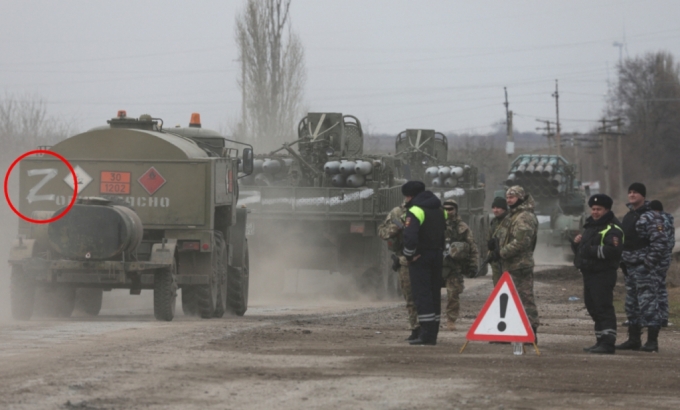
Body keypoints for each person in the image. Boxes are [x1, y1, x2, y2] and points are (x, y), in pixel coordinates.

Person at [616, 183, 669, 353]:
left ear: (643, 196)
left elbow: (660, 242)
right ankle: (634, 339)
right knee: (632, 305)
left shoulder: (651, 216)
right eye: (630, 192)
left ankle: (652, 341)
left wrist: (648, 263)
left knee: (648, 304)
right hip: (630, 267)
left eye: (635, 193)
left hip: (644, 267)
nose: (631, 195)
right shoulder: (630, 216)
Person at [571, 194, 623, 354]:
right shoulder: (591, 226)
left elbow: (613, 251)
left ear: (606, 210)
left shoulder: (613, 228)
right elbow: (582, 252)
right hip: (589, 274)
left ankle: (608, 343)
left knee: (603, 307)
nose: (595, 212)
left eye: (598, 209)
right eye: (593, 209)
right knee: (592, 307)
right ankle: (600, 340)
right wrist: (576, 245)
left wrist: (590, 250)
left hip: (603, 274)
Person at [491, 186, 540, 342]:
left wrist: (502, 253)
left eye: (512, 197)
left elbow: (521, 242)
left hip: (520, 265)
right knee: (507, 300)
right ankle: (507, 331)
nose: (509, 199)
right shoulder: (512, 216)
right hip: (509, 265)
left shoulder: (524, 216)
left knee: (525, 299)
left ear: (520, 197)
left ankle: (530, 333)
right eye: (507, 197)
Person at [401, 181, 446, 345]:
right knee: (434, 294)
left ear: (410, 196)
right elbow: (443, 232)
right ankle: (433, 333)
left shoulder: (415, 210)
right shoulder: (439, 209)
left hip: (421, 257)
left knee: (422, 295)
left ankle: (426, 334)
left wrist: (409, 256)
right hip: (437, 254)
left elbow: (410, 237)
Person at [377, 204, 419, 340]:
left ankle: (427, 329)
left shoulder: (429, 211)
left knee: (425, 298)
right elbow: (382, 232)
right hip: (405, 260)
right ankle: (416, 329)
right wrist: (397, 226)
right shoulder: (397, 213)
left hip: (425, 259)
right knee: (409, 296)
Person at [441, 199, 479, 331]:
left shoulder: (462, 228)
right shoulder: (436, 224)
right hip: (437, 265)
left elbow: (472, 248)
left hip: (454, 266)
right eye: (445, 209)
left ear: (456, 210)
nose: (448, 212)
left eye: (450, 209)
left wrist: (473, 266)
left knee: (453, 295)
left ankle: (451, 320)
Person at [649, 200, 675, 328]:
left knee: (655, 287)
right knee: (661, 287)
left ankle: (657, 317)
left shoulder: (660, 221)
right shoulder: (668, 219)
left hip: (659, 258)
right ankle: (663, 317)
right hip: (665, 257)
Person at [486, 197, 509, 286]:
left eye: (498, 208)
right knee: (497, 286)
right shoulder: (494, 222)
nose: (495, 210)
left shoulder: (510, 221)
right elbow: (489, 236)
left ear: (504, 209)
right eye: (494, 208)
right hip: (496, 259)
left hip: (507, 259)